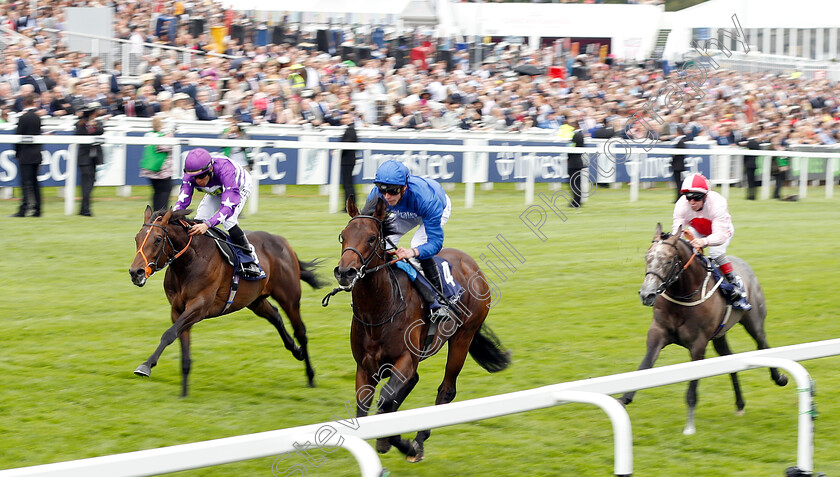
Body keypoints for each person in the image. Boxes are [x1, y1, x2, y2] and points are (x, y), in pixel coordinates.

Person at [366, 160, 452, 320]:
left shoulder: (426, 199)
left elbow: (435, 243)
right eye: (382, 190)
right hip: (405, 211)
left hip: (436, 208)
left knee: (418, 245)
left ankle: (441, 301)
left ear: (404, 187)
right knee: (380, 243)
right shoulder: (377, 195)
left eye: (392, 191)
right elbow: (366, 226)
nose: (386, 197)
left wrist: (411, 252)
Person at [172, 148, 261, 278]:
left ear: (210, 170)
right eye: (193, 178)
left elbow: (227, 208)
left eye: (201, 176)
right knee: (199, 219)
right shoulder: (190, 176)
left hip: (238, 185)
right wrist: (171, 217)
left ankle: (250, 258)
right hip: (216, 189)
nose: (198, 181)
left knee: (228, 221)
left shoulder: (226, 171)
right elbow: (182, 202)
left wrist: (208, 225)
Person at [673, 173, 751, 311]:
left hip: (721, 231)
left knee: (715, 253)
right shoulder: (681, 205)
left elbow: (720, 236)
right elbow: (676, 233)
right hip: (698, 230)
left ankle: (735, 283)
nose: (692, 202)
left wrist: (704, 241)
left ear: (705, 196)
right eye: (688, 197)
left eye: (696, 198)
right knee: (687, 251)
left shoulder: (718, 203)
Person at [11, 93, 42, 217]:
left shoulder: (23, 118)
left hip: (25, 155)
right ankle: (37, 209)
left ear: (24, 103)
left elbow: (18, 137)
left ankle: (23, 209)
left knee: (25, 183)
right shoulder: (38, 117)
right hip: (36, 154)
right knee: (35, 183)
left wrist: (17, 153)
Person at [74, 102, 105, 217]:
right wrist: (86, 123)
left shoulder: (98, 123)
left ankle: (84, 208)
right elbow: (79, 133)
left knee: (91, 183)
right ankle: (86, 209)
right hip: (84, 158)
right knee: (86, 184)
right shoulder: (80, 123)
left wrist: (93, 125)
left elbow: (101, 131)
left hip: (94, 158)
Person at [140, 116, 174, 211]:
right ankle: (161, 215)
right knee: (164, 192)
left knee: (157, 193)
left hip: (149, 170)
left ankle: (155, 214)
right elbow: (167, 147)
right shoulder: (163, 137)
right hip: (161, 171)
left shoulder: (149, 135)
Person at [339, 112, 358, 211]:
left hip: (348, 161)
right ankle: (349, 206)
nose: (343, 120)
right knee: (348, 185)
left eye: (345, 118)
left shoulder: (350, 130)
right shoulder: (350, 129)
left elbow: (346, 145)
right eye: (342, 118)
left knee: (348, 185)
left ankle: (350, 206)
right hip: (348, 161)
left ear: (351, 119)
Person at [567, 119, 584, 208]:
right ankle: (577, 201)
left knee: (574, 184)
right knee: (577, 183)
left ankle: (575, 202)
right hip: (578, 162)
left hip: (573, 163)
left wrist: (568, 158)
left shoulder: (576, 136)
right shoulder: (581, 135)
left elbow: (571, 149)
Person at [742, 128, 761, 200]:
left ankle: (750, 196)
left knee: (750, 181)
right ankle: (753, 195)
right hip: (754, 164)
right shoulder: (756, 143)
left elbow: (746, 154)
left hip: (748, 164)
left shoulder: (749, 143)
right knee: (753, 180)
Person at [671, 126, 687, 202]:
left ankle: (679, 198)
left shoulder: (680, 141)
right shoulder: (682, 141)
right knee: (679, 183)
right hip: (679, 166)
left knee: (679, 183)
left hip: (678, 166)